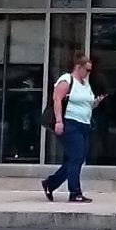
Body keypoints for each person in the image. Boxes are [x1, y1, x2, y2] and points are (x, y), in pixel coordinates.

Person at [43, 51, 97, 202]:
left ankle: (51, 183)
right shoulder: (67, 80)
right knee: (76, 157)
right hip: (70, 123)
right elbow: (57, 99)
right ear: (78, 67)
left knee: (77, 158)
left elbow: (86, 103)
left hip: (84, 124)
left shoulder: (85, 84)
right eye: (87, 70)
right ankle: (75, 192)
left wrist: (95, 103)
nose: (88, 73)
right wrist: (59, 121)